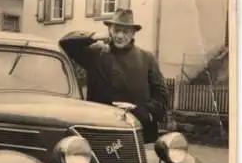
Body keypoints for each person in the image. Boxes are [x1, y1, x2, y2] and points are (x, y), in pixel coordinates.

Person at [59, 8, 169, 143]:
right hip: (100, 130)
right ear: (110, 30)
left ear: (133, 33)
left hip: (137, 134)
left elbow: (161, 98)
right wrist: (92, 36)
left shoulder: (147, 58)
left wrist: (141, 111)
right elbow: (65, 43)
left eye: (125, 31)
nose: (120, 36)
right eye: (116, 30)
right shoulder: (95, 54)